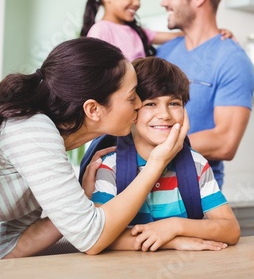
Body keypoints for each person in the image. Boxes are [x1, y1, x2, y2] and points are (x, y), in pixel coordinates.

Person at [0, 37, 190, 265]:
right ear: (93, 109)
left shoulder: (45, 149)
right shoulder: (33, 130)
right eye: (132, 97)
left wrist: (80, 200)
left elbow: (13, 250)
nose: (140, 104)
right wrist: (156, 163)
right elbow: (92, 238)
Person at [90, 57, 240, 252]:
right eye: (151, 104)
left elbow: (231, 230)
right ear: (131, 110)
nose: (165, 115)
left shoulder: (196, 165)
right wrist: (172, 241)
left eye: (174, 103)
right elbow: (98, 235)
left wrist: (174, 226)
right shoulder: (110, 167)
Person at [156, 0, 254, 188]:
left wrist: (152, 146)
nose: (164, 1)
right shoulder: (163, 52)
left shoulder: (232, 60)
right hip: (146, 189)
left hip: (196, 198)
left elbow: (225, 142)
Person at [80, 0, 233, 62]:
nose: (137, 2)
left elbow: (178, 35)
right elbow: (95, 74)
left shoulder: (137, 32)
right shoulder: (101, 30)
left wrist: (214, 33)